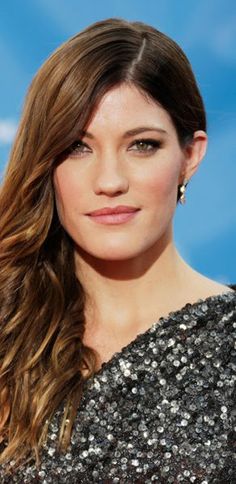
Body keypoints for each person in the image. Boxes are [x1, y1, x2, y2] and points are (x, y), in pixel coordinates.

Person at [0, 17, 235, 483]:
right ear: (45, 163)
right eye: (77, 148)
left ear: (190, 156)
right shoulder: (9, 334)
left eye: (142, 145)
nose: (110, 181)